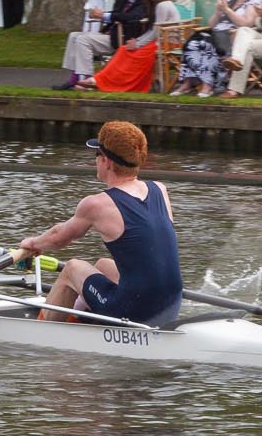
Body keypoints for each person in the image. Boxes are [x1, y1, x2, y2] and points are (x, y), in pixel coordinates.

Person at [18, 121, 183, 327]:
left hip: (133, 311)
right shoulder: (160, 189)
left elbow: (59, 237)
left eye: (95, 155)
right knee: (103, 266)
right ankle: (79, 315)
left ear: (106, 161)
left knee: (72, 268)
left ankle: (43, 331)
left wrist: (33, 244)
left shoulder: (97, 204)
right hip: (171, 305)